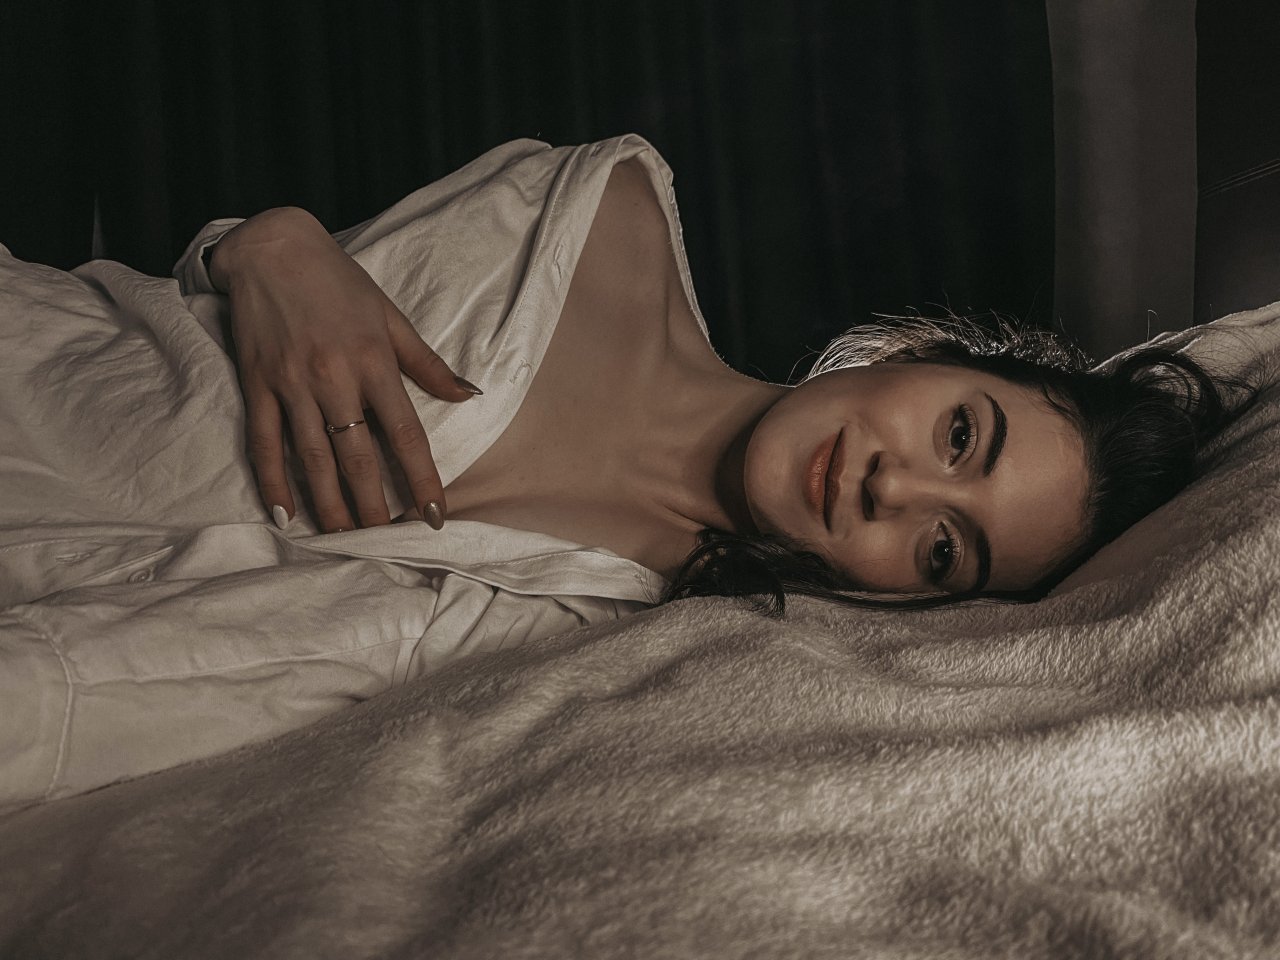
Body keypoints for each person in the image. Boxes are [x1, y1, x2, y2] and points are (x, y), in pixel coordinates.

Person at [0, 134, 1244, 808]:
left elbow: (172, 674)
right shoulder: (595, 211)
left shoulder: (599, 638)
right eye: (959, 436)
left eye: (940, 549)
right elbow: (180, 326)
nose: (894, 489)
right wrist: (261, 246)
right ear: (924, 354)